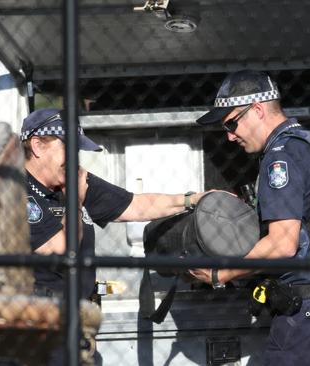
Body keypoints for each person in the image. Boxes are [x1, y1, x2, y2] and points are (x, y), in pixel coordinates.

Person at [189, 70, 310, 365]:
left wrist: (219, 274)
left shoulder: (280, 157)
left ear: (258, 110)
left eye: (232, 123)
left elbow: (282, 244)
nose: (230, 136)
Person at [21, 108, 208, 300]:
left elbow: (135, 205)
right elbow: (62, 251)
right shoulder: (17, 191)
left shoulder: (71, 179)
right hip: (40, 315)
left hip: (78, 311)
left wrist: (192, 200)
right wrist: (76, 199)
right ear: (37, 146)